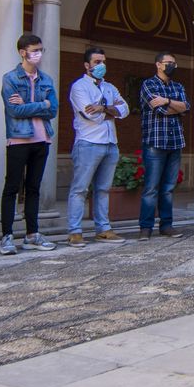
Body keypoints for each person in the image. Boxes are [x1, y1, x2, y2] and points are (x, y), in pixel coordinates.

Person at [0, 33, 57, 254]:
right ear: (23, 52)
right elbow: (14, 109)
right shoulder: (11, 78)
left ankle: (32, 233)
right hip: (18, 138)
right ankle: (7, 236)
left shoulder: (46, 79)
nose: (38, 54)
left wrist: (31, 104)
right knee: (12, 187)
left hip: (42, 138)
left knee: (34, 188)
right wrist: (40, 104)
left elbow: (52, 109)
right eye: (34, 50)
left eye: (41, 50)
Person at [67, 46, 128, 246]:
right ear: (87, 65)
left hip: (111, 143)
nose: (101, 65)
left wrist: (103, 107)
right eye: (96, 62)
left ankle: (103, 229)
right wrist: (111, 111)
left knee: (103, 189)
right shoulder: (79, 87)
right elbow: (89, 114)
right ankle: (75, 231)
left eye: (103, 61)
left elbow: (125, 109)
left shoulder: (109, 87)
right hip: (88, 142)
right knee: (80, 189)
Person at [138, 51, 189, 239]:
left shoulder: (178, 85)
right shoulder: (148, 85)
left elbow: (186, 107)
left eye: (174, 63)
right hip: (155, 143)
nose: (173, 66)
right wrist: (175, 106)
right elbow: (159, 110)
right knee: (151, 188)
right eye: (169, 63)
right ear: (158, 64)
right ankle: (146, 227)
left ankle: (167, 225)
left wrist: (168, 101)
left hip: (175, 142)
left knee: (168, 188)